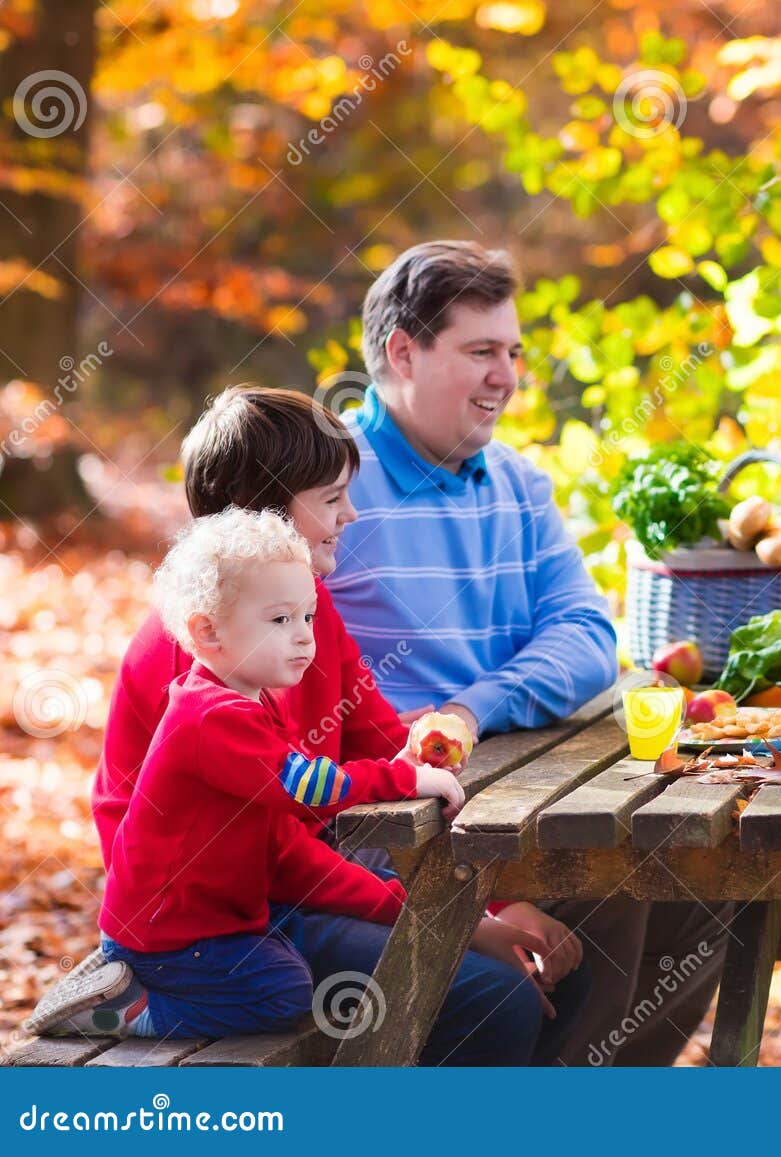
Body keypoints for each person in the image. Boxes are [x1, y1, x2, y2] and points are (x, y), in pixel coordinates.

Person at [31, 387, 583, 1065]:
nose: (350, 514)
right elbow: (285, 839)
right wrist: (468, 924)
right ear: (259, 515)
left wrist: (492, 899)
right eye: (330, 499)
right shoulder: (209, 648)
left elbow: (385, 747)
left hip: (280, 878)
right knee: (490, 994)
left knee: (571, 908)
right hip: (210, 926)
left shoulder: (300, 613)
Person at [327, 240, 730, 1065]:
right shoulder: (329, 481)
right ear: (401, 351)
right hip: (379, 816)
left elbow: (587, 637)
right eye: (481, 351)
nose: (506, 376)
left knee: (706, 889)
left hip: (517, 790)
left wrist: (475, 704)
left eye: (512, 352)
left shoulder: (514, 481)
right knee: (613, 877)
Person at [34, 509, 460, 1039]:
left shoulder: (247, 705)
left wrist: (392, 902)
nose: (305, 637)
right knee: (283, 994)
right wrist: (405, 778)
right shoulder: (213, 716)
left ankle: (132, 988)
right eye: (281, 621)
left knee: (291, 970)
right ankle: (128, 1010)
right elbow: (308, 788)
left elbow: (282, 849)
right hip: (170, 934)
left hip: (209, 925)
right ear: (208, 632)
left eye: (308, 617)